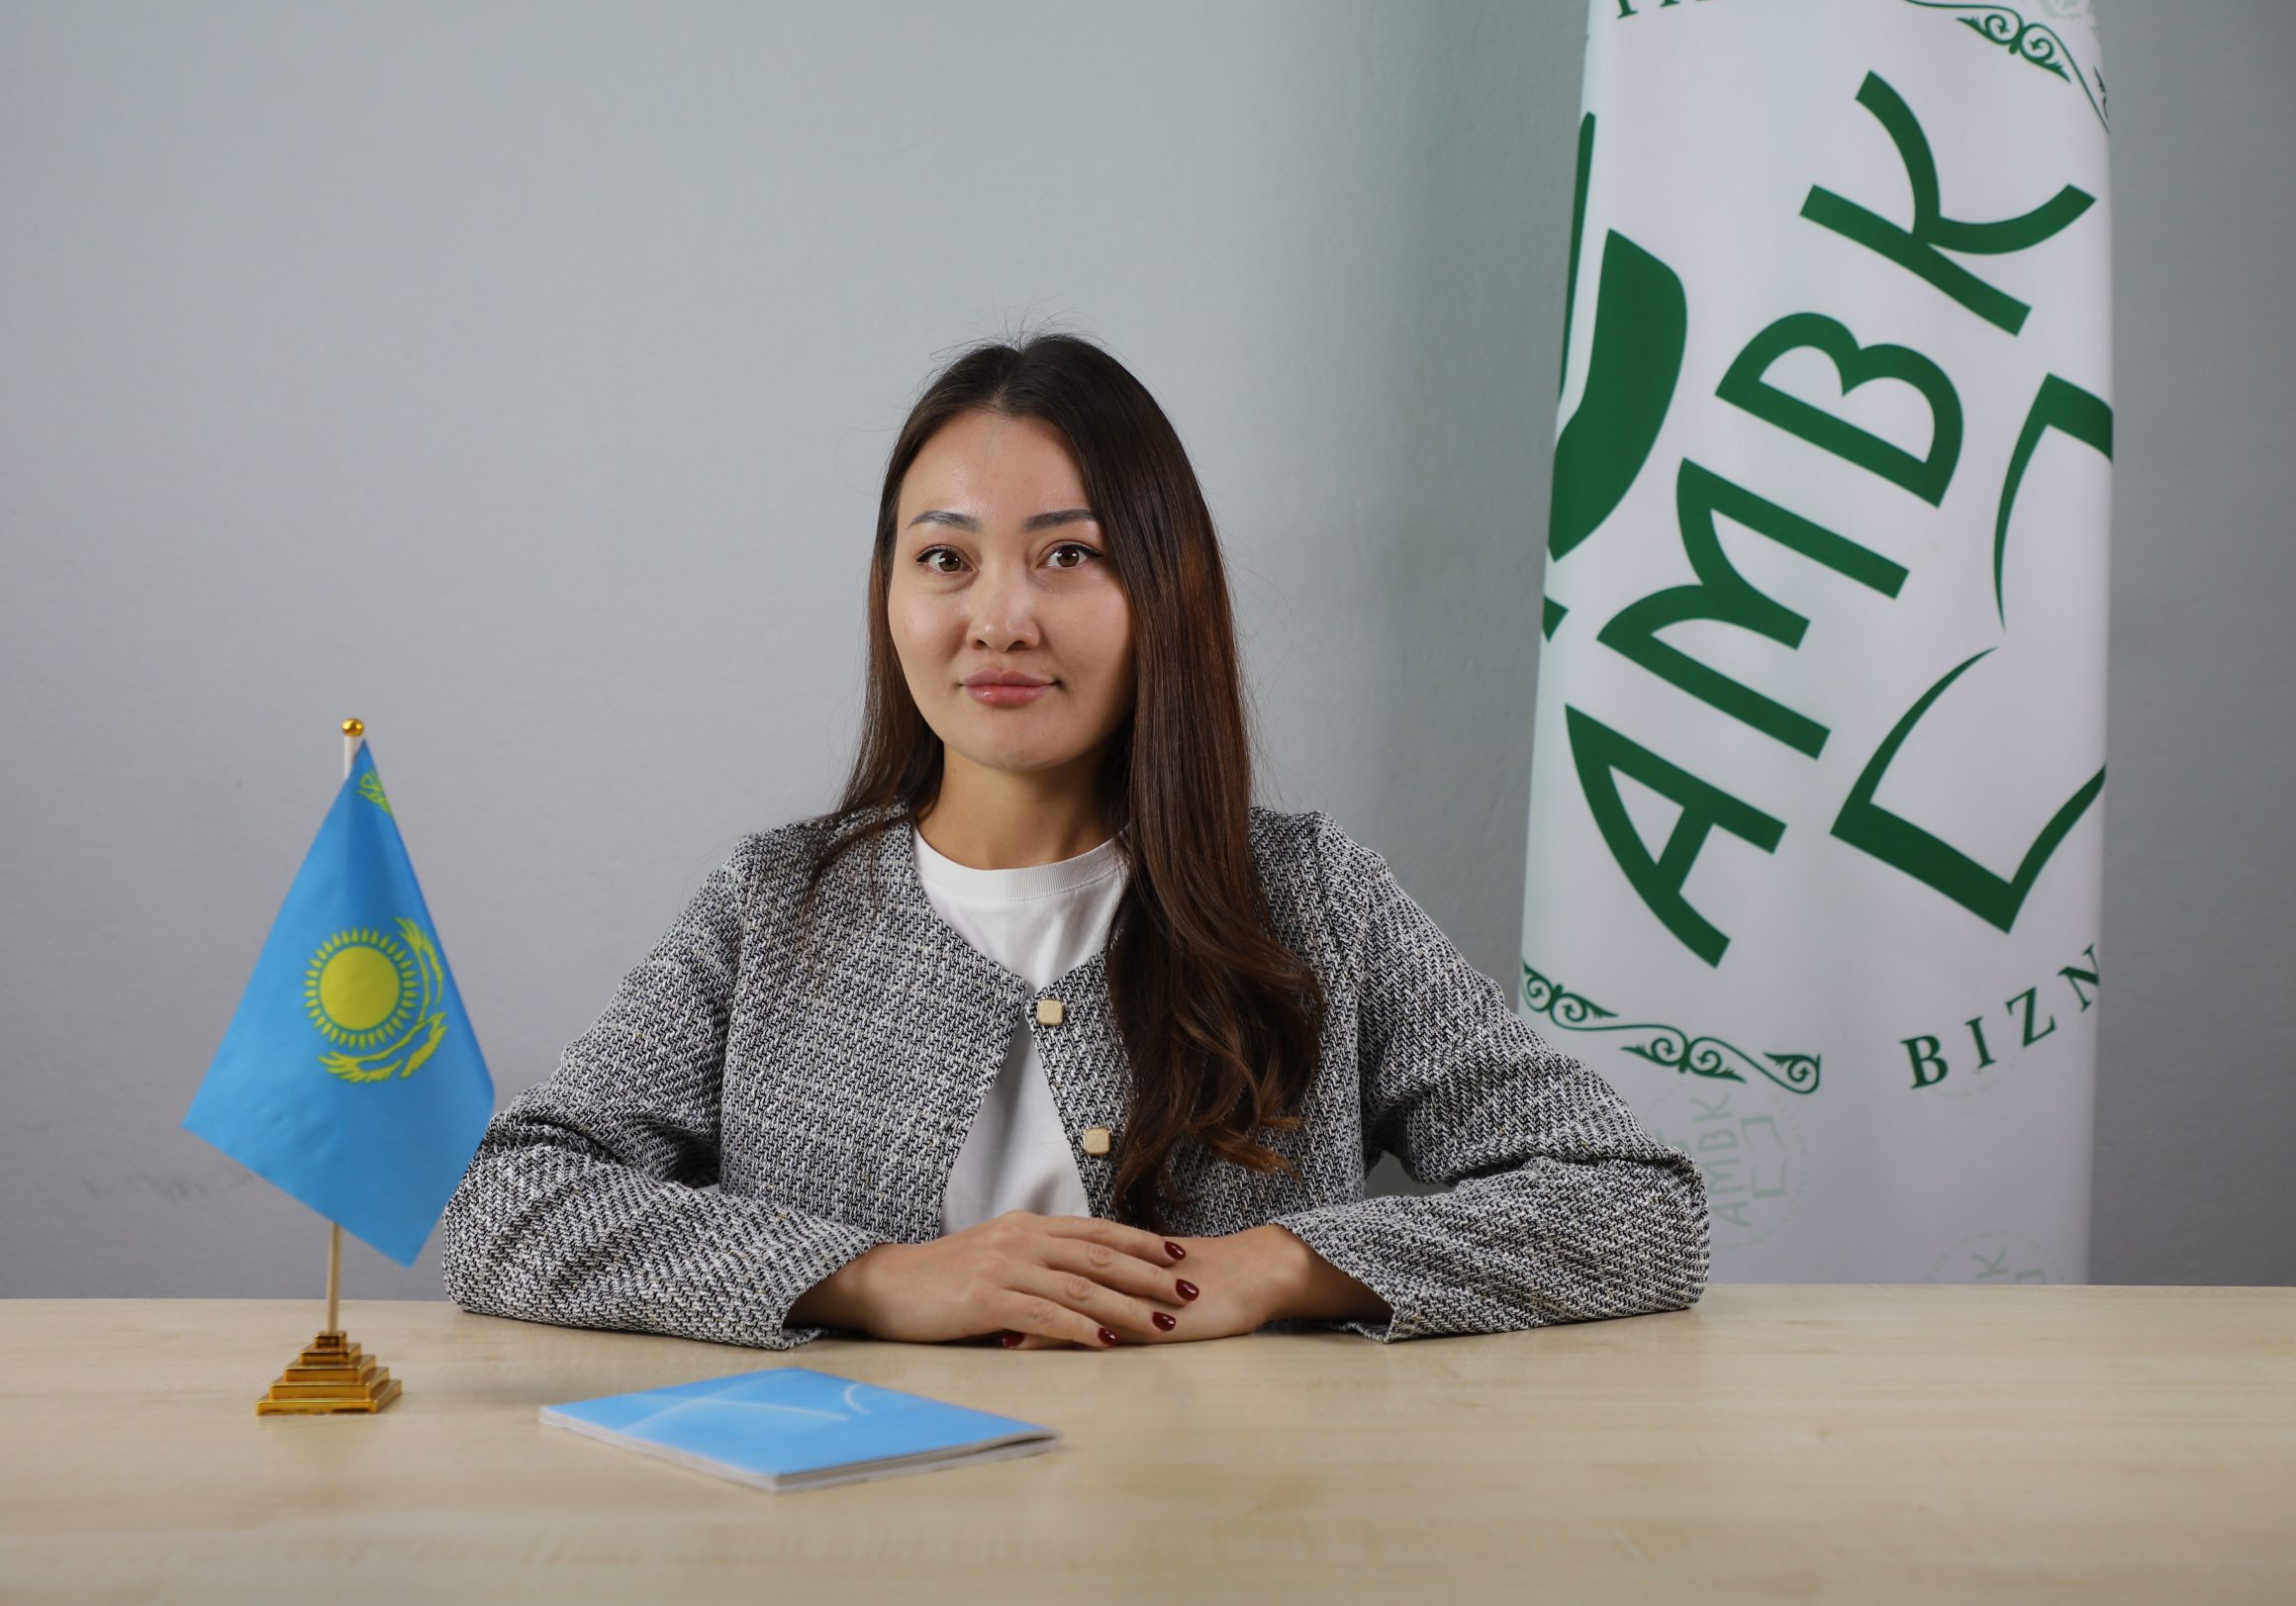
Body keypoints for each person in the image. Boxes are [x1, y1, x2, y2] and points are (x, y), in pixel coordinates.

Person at [438, 331, 1709, 1352]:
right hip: (849, 1541)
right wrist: (872, 1280)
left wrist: (1272, 1268)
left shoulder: (1307, 898)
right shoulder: (775, 903)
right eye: (945, 558)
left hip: (1228, 1532)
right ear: (890, 598)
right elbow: (507, 1198)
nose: (1000, 617)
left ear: (1165, 591)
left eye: (1068, 555)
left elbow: (1638, 1203)